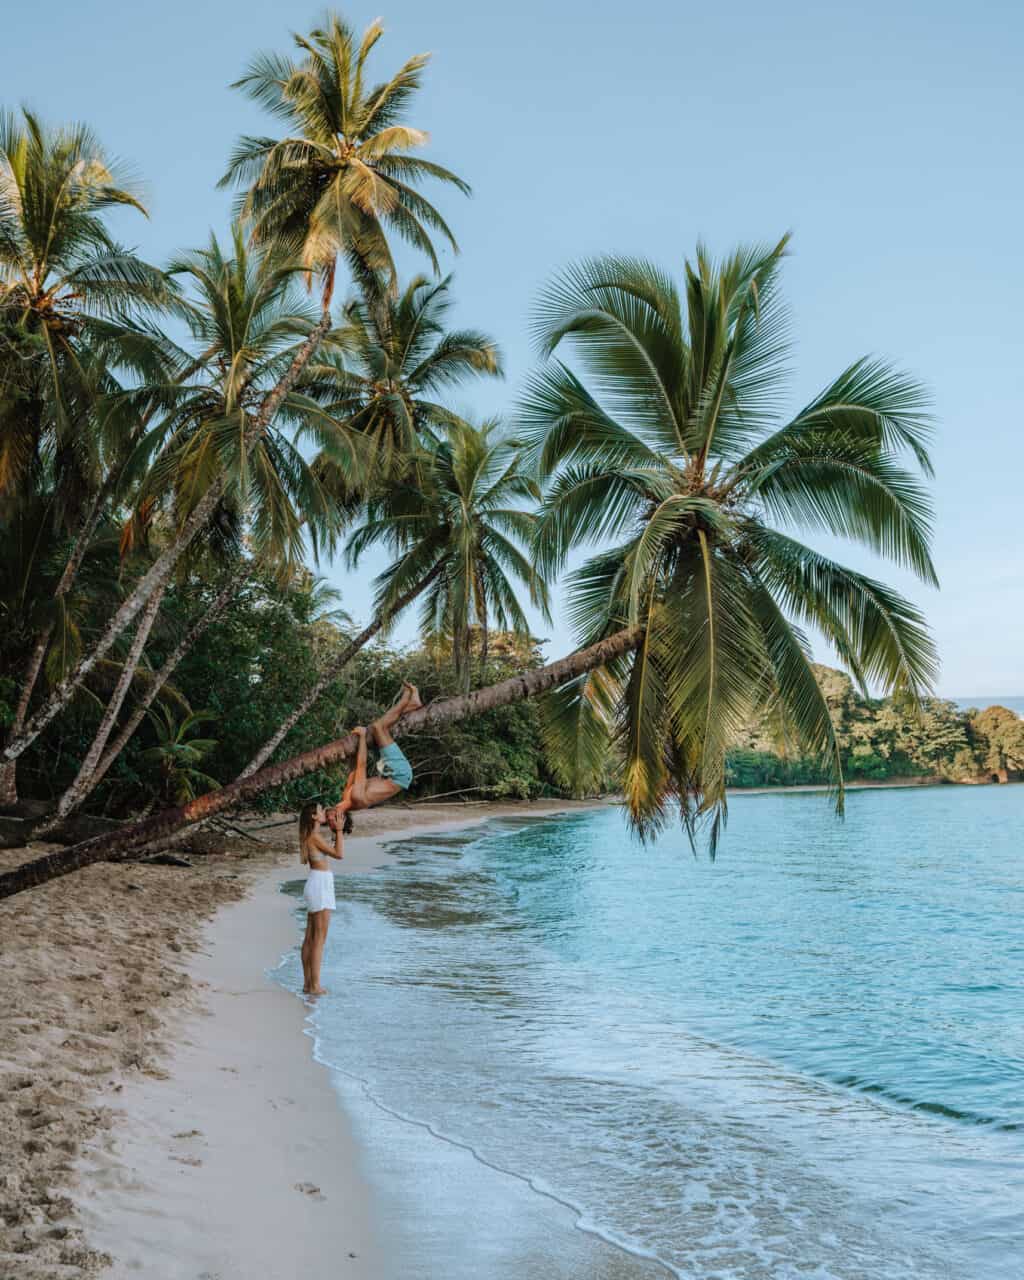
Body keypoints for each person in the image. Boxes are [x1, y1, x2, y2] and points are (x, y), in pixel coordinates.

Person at [331, 683, 421, 831]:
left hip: (389, 772)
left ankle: (411, 705)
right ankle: (407, 699)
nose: (329, 816)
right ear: (342, 816)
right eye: (333, 818)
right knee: (378, 727)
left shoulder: (346, 796)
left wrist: (351, 750)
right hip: (398, 774)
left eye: (328, 819)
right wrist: (362, 737)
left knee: (381, 728)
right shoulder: (356, 799)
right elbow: (362, 766)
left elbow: (353, 769)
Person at [298, 800, 343, 996]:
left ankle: (308, 984)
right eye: (320, 810)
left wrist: (336, 832)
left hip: (316, 883)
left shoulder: (311, 836)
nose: (324, 811)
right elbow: (339, 854)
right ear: (314, 817)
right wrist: (339, 831)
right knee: (319, 939)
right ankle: (314, 985)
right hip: (320, 885)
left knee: (310, 938)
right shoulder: (315, 836)